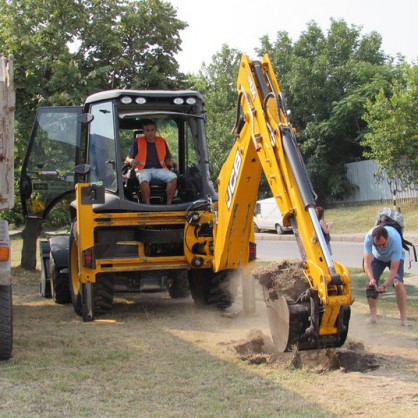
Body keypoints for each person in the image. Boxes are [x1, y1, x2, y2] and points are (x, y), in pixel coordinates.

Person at [363, 225, 411, 327]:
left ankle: (404, 319)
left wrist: (384, 285)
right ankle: (373, 317)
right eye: (378, 245)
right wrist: (372, 279)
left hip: (395, 259)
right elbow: (366, 263)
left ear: (388, 237)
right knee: (369, 285)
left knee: (398, 284)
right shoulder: (368, 237)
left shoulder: (395, 240)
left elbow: (394, 270)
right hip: (378, 258)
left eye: (383, 245)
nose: (381, 247)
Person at [125, 119, 177, 204]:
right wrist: (131, 161)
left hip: (160, 169)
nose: (150, 133)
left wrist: (172, 162)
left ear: (155, 131)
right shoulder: (137, 142)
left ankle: (168, 205)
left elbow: (167, 159)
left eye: (152, 130)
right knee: (143, 179)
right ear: (144, 131)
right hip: (143, 170)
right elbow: (128, 158)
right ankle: (148, 206)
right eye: (147, 130)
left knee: (173, 177)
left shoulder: (162, 141)